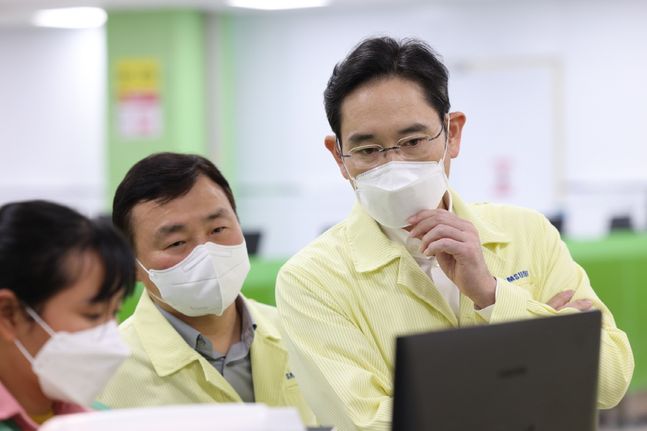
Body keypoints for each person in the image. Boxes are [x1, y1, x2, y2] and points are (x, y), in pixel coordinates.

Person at [275, 36, 634, 431]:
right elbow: (369, 424)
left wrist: (491, 293)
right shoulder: (311, 280)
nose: (393, 165)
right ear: (338, 157)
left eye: (412, 141)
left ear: (453, 134)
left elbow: (611, 381)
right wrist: (545, 350)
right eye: (368, 150)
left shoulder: (527, 232)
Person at [97, 153, 316, 425]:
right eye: (176, 243)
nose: (206, 252)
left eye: (218, 228)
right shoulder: (105, 377)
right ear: (132, 266)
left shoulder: (304, 334)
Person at [0, 200, 136, 431]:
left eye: (114, 312)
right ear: (9, 315)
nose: (112, 336)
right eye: (93, 315)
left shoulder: (101, 420)